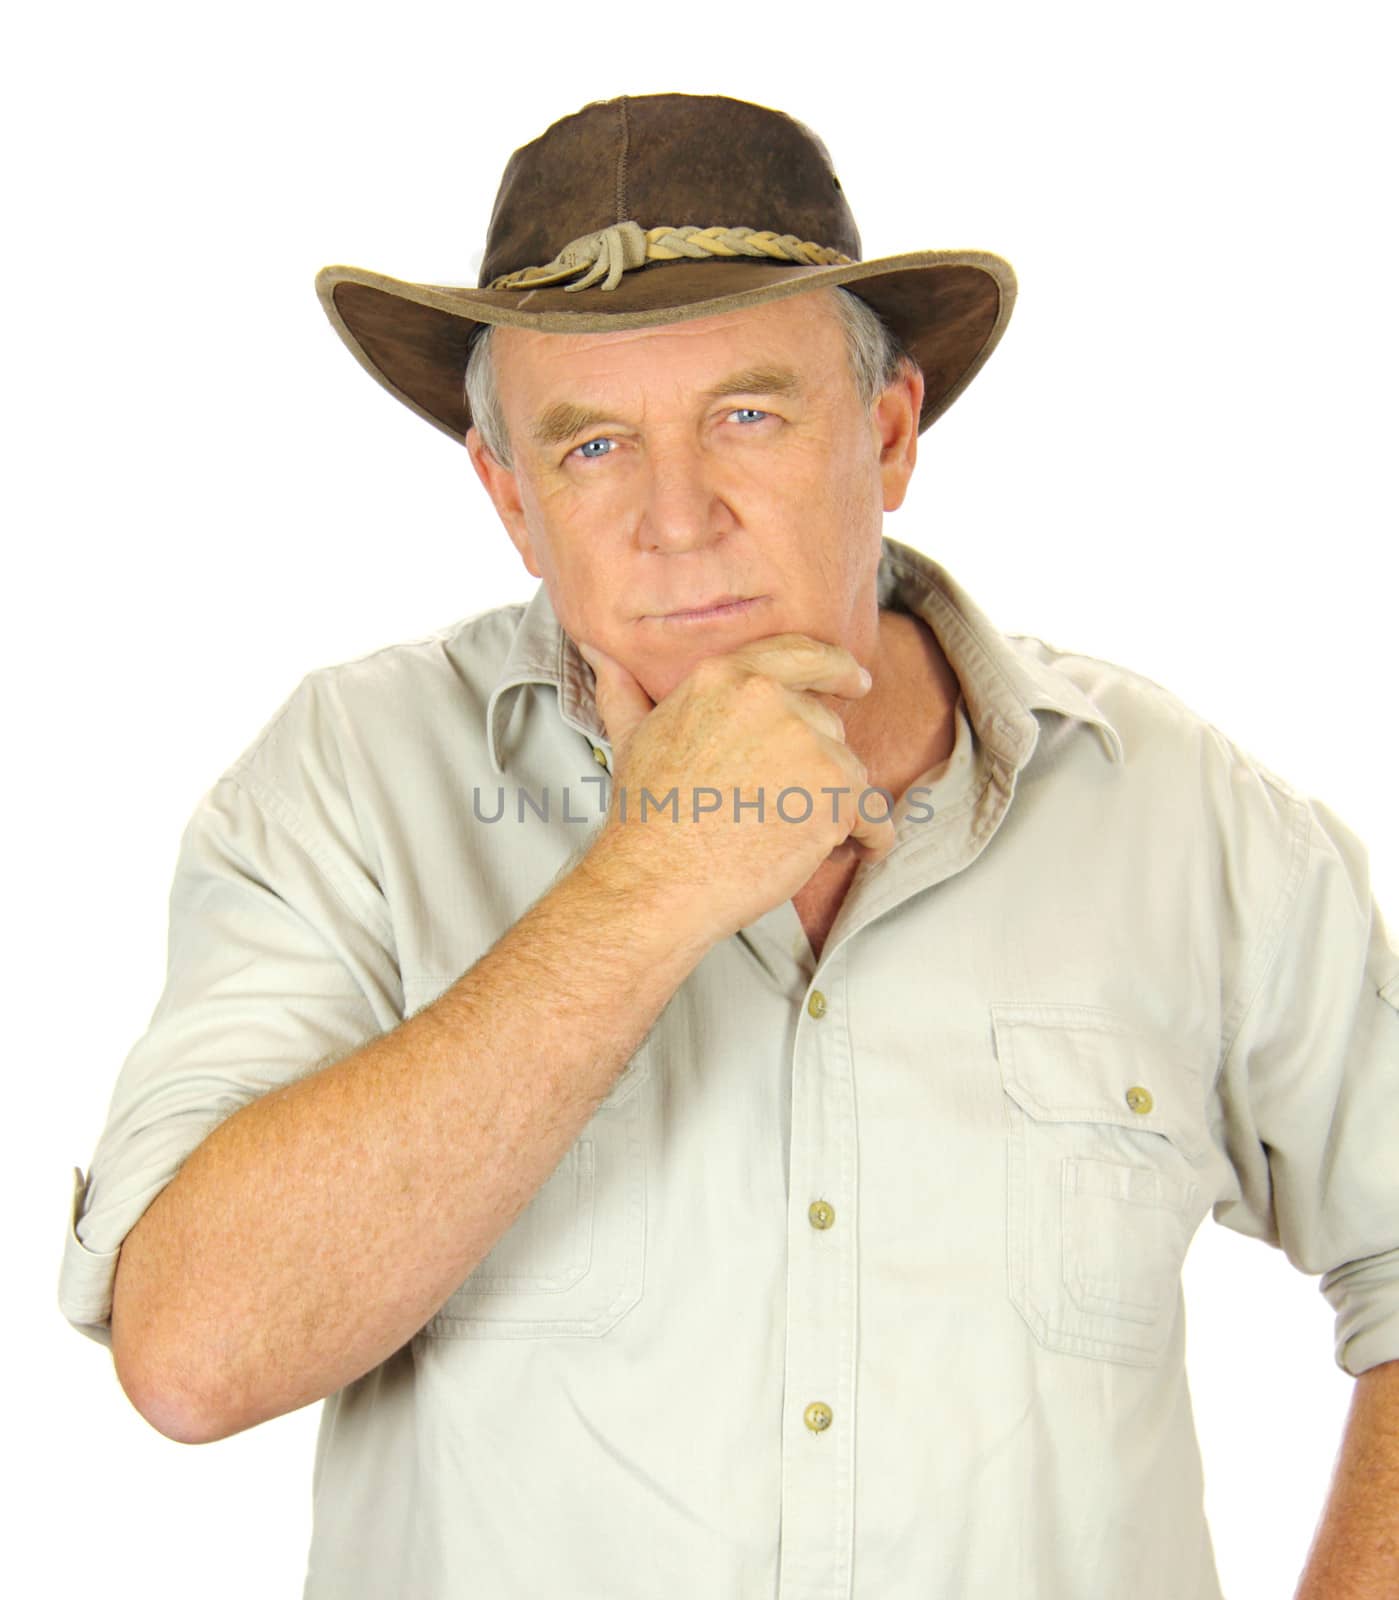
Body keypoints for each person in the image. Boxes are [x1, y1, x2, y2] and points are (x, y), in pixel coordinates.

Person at [58, 92, 1399, 1599]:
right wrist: (646, 891)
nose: (675, 517)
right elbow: (194, 1358)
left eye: (748, 416)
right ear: (510, 498)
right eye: (593, 448)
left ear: (889, 435)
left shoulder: (1181, 814)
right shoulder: (352, 786)